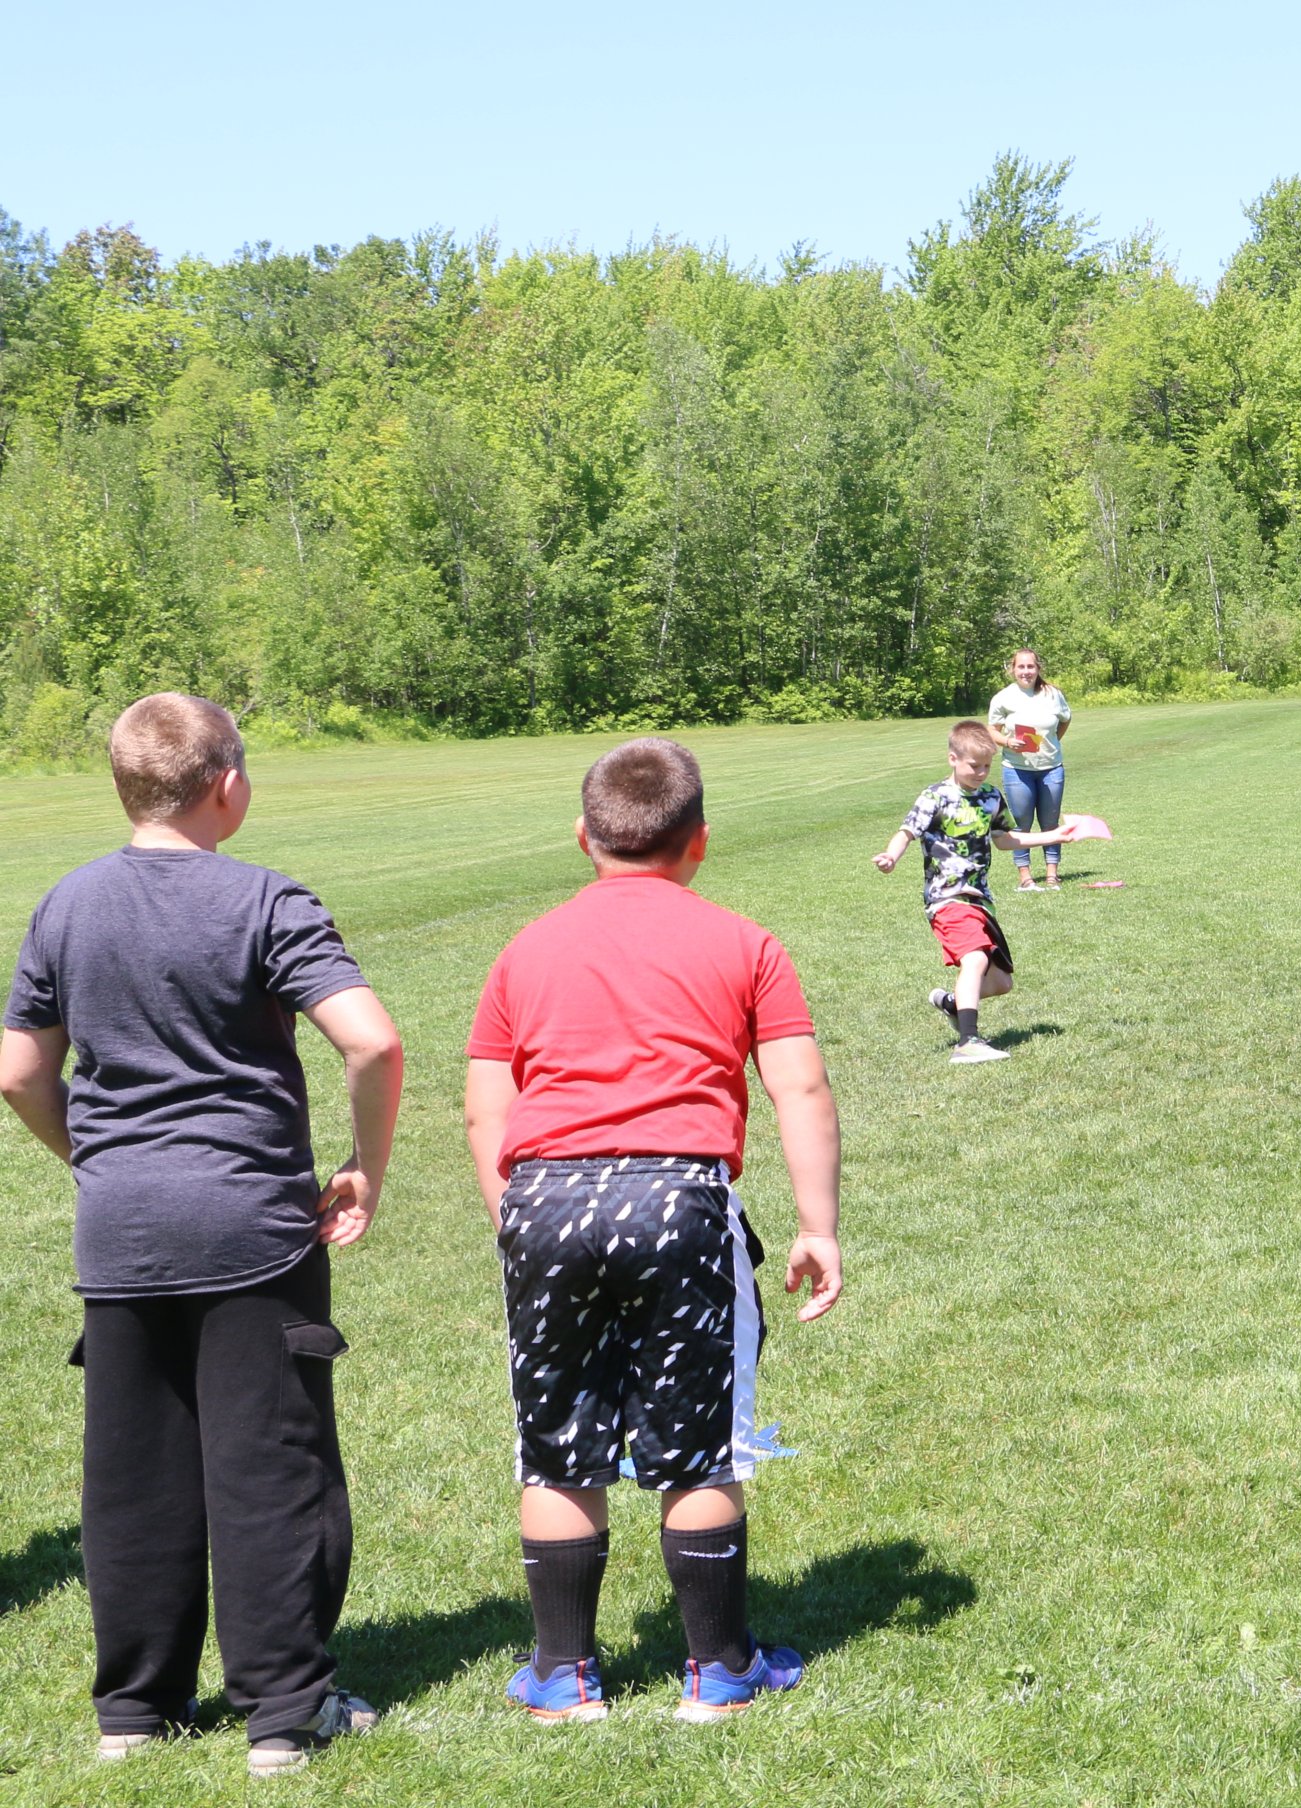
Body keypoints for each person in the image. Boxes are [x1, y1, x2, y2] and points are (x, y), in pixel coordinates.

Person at [0, 694, 403, 1776]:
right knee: (271, 1465)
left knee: (133, 1473)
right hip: (252, 1225)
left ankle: (134, 1708)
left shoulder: (66, 904)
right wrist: (365, 1162)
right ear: (227, 783)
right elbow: (372, 1038)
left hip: (121, 1225)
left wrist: (93, 1156)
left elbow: (18, 1070)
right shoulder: (265, 898)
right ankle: (286, 1710)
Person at [464, 737, 843, 1724]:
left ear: (583, 838)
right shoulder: (746, 943)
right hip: (680, 1194)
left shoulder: (526, 947)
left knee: (557, 1445)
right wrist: (818, 1223)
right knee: (697, 1442)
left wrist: (513, 1218)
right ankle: (718, 1670)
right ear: (699, 841)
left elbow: (483, 1107)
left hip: (545, 1195)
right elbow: (797, 1081)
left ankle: (562, 1676)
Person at [874, 720, 1065, 1064]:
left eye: (987, 766)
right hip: (946, 898)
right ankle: (968, 1042)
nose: (981, 773)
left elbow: (1006, 839)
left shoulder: (991, 797)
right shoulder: (935, 796)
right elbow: (906, 832)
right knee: (975, 959)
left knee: (1001, 983)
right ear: (953, 759)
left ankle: (951, 1004)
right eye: (974, 766)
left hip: (980, 900)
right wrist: (891, 856)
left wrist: (1054, 836)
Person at [988, 648, 1075, 891]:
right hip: (1017, 770)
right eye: (1021, 667)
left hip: (1051, 769)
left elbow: (1065, 719)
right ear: (1012, 669)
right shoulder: (1003, 698)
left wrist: (1054, 742)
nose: (1026, 671)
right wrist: (1007, 742)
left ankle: (1051, 875)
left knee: (1050, 822)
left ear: (1038, 669)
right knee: (1021, 824)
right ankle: (1025, 877)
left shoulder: (1053, 694)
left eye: (1031, 667)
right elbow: (992, 730)